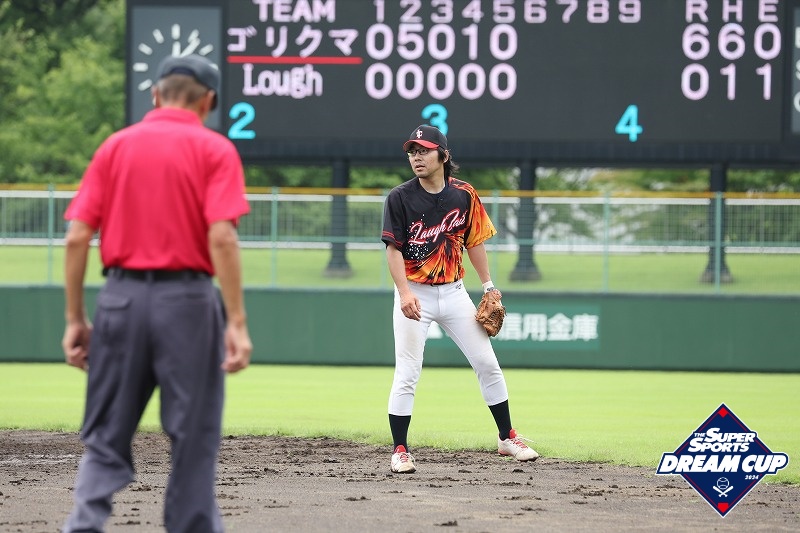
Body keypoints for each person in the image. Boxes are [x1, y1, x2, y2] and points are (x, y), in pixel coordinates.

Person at [60, 54, 252, 532]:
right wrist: (236, 322)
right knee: (193, 435)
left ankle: (83, 524)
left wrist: (75, 318)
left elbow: (77, 237)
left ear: (155, 93)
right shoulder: (214, 149)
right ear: (208, 101)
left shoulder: (115, 146)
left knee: (106, 433)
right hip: (187, 303)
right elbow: (222, 237)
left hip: (120, 299)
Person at [381, 124, 539, 473]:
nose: (417, 157)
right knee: (408, 371)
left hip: (454, 293)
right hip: (415, 293)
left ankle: (507, 437)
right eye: (412, 152)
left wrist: (488, 285)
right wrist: (404, 292)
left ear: (443, 155)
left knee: (487, 363)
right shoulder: (400, 197)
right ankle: (400, 450)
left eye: (424, 150)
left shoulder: (464, 194)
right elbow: (393, 250)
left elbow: (474, 241)